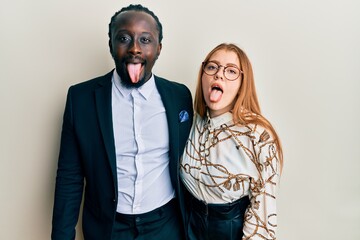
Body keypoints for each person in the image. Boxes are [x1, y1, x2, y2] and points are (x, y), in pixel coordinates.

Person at [51, 4, 193, 240]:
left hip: (166, 227)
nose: (135, 48)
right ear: (111, 45)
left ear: (159, 49)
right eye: (124, 38)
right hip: (108, 228)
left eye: (145, 39)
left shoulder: (180, 97)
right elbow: (69, 177)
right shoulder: (81, 99)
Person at [180, 43, 283, 240]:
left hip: (230, 232)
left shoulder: (258, 136)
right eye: (212, 67)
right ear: (202, 76)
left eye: (230, 71)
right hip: (189, 229)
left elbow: (263, 213)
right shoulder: (189, 123)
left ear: (242, 83)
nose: (219, 75)